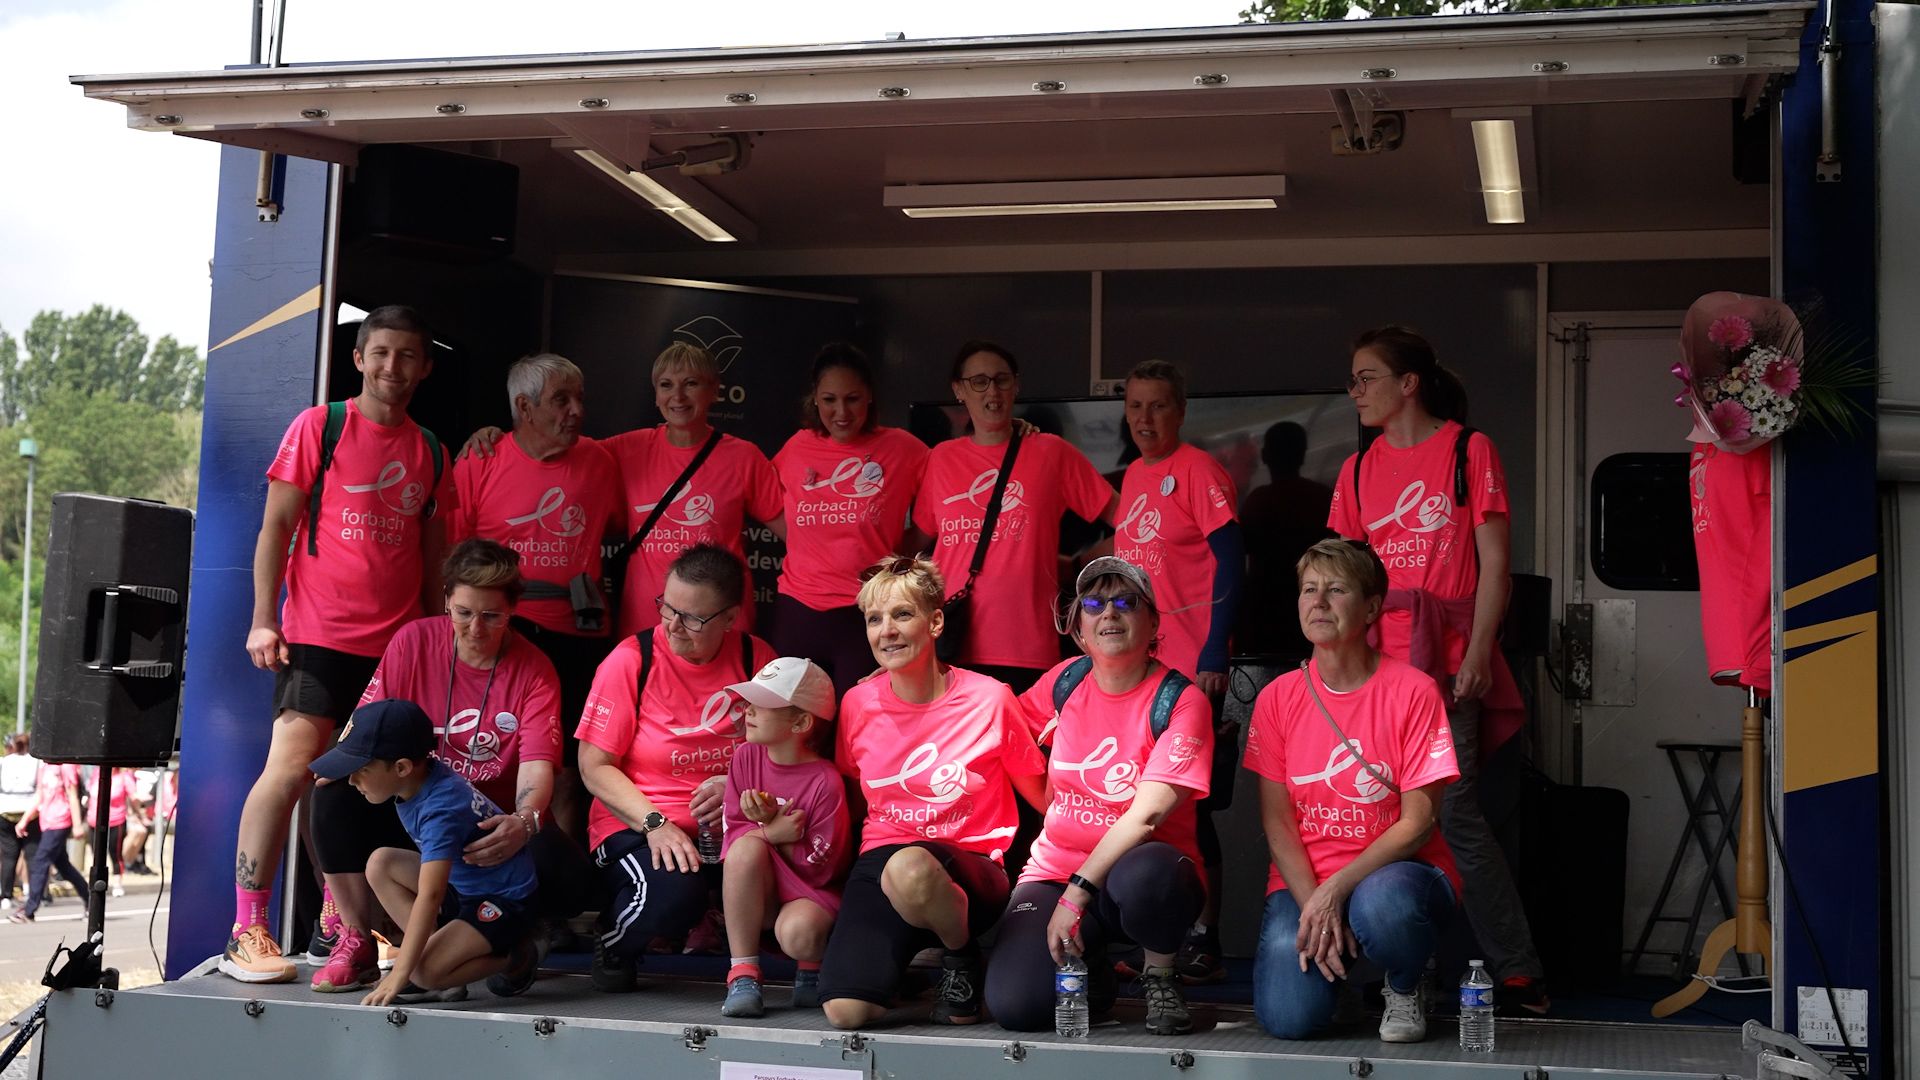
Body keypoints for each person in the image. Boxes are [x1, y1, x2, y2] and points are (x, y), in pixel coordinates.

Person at [223, 305, 455, 983]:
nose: (392, 367)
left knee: (360, 784)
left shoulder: (431, 449)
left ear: (425, 367)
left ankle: (343, 919)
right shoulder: (320, 426)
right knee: (293, 769)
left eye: (407, 355)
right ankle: (246, 927)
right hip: (319, 635)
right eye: (380, 353)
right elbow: (275, 528)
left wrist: (432, 639)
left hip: (395, 647)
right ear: (358, 359)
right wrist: (264, 619)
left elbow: (432, 557)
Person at [1329, 326, 1546, 1013]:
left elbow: (1495, 565)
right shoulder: (1356, 469)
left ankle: (1517, 967)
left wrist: (1480, 651)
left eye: (1366, 377)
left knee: (1454, 814)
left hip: (1448, 663)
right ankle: (1401, 971)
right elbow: (1343, 579)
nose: (1355, 391)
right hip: (1376, 670)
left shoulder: (1466, 449)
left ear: (1408, 384)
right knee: (1377, 816)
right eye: (1353, 379)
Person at [306, 539, 578, 994]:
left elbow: (537, 769)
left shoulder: (534, 668)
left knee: (559, 864)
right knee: (333, 791)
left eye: (492, 616)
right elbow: (366, 729)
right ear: (446, 599)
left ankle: (496, 948)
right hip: (419, 803)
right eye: (463, 613)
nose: (475, 628)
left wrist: (523, 821)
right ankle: (357, 939)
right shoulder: (414, 641)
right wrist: (344, 763)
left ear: (513, 611)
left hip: (490, 829)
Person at [984, 557, 1213, 1035]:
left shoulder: (1180, 700)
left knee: (1152, 874)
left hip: (1135, 877)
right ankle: (1097, 979)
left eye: (1126, 602)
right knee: (1017, 1006)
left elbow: (1147, 816)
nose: (1109, 612)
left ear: (1153, 623)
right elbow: (1002, 731)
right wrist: (1047, 804)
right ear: (1078, 627)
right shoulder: (1065, 681)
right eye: (1094, 603)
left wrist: (1076, 894)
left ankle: (1160, 973)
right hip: (1054, 872)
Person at [818, 556, 1048, 1030]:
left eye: (902, 615)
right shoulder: (857, 703)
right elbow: (853, 794)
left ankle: (960, 956)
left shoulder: (989, 698)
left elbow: (1042, 797)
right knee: (846, 1012)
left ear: (936, 622)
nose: (887, 631)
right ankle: (904, 966)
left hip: (971, 868)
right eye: (875, 619)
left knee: (912, 868)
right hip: (884, 860)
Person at [1246, 539, 1461, 1043]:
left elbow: (1419, 823)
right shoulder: (1277, 698)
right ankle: (1338, 984)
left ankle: (1406, 983)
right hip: (1304, 881)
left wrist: (1336, 889)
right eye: (1309, 589)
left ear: (1371, 608)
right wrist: (1315, 903)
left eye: (1336, 589)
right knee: (1290, 1019)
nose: (1318, 602)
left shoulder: (1413, 691)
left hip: (1395, 876)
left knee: (1383, 907)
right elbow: (1277, 822)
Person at [576, 544, 771, 991]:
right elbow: (593, 766)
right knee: (673, 894)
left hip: (731, 827)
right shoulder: (632, 659)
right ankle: (614, 940)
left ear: (730, 617)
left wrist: (736, 782)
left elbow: (784, 752)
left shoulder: (755, 657)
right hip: (638, 821)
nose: (673, 625)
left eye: (693, 618)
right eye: (667, 607)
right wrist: (655, 824)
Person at [451, 353, 627, 843]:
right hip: (497, 633)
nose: (577, 411)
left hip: (576, 632)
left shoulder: (600, 460)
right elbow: (454, 557)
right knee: (490, 760)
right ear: (525, 408)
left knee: (566, 767)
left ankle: (560, 874)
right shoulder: (481, 459)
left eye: (579, 399)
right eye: (561, 400)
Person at [1108, 359, 1244, 982]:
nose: (1145, 418)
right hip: (1142, 671)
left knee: (1191, 810)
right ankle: (1155, 936)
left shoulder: (1198, 470)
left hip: (1192, 670)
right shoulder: (1135, 474)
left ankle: (1204, 936)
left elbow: (1233, 562)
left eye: (1158, 405)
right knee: (1144, 804)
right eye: (1135, 406)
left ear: (1180, 411)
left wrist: (1216, 649)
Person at [912, 341, 1117, 692]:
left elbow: (1133, 521)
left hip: (1027, 646)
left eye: (1001, 379)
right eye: (979, 381)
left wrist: (1083, 564)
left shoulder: (1051, 452)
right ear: (958, 390)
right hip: (951, 643)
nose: (992, 391)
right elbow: (915, 546)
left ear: (1016, 385)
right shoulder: (940, 458)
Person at [311, 698, 540, 1006]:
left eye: (361, 770)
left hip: (502, 901)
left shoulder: (440, 810)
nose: (351, 780)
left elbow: (430, 896)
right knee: (381, 863)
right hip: (462, 885)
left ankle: (518, 956)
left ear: (402, 767)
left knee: (421, 972)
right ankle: (443, 963)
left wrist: (400, 973)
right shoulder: (418, 779)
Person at [770, 344, 929, 697]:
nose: (841, 412)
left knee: (857, 717)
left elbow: (946, 496)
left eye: (852, 399)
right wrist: (799, 539)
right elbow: (760, 499)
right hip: (798, 612)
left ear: (869, 396)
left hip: (867, 613)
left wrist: (896, 555)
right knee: (791, 720)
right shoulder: (797, 448)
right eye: (829, 400)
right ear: (815, 398)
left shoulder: (903, 449)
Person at [603, 343, 784, 637]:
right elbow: (565, 458)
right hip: (646, 626)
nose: (678, 396)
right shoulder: (627, 449)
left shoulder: (743, 457)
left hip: (719, 627)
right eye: (666, 385)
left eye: (691, 384)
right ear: (656, 394)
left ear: (714, 391)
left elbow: (799, 535)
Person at [716, 657, 850, 1018]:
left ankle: (811, 968)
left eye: (763, 704)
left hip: (808, 893)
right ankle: (743, 974)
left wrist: (783, 838)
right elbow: (732, 839)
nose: (748, 711)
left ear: (801, 722)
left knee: (799, 934)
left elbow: (824, 871)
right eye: (750, 701)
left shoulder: (825, 781)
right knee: (745, 850)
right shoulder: (745, 757)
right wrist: (771, 832)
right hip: (761, 891)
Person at [1238, 421, 1335, 658]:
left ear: (1265, 456)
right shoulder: (1322, 497)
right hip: (1316, 603)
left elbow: (1240, 553)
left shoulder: (1258, 500)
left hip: (1263, 609)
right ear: (1302, 455)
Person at [11, 760, 87, 924]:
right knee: (64, 868)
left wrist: (77, 825)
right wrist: (24, 820)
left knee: (40, 862)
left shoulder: (66, 766)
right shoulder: (45, 767)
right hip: (47, 822)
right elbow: (40, 796)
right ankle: (92, 900)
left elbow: (72, 795)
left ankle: (29, 910)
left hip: (61, 820)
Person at [0, 735, 40, 910]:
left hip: (6, 811)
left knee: (9, 857)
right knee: (31, 855)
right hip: (29, 813)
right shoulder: (36, 763)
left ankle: (6, 896)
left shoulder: (4, 762)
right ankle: (33, 892)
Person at [83, 767, 131, 897]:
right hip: (94, 820)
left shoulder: (123, 777)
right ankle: (96, 881)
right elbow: (90, 792)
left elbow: (133, 797)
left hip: (116, 820)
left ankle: (117, 883)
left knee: (115, 852)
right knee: (95, 852)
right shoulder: (96, 773)